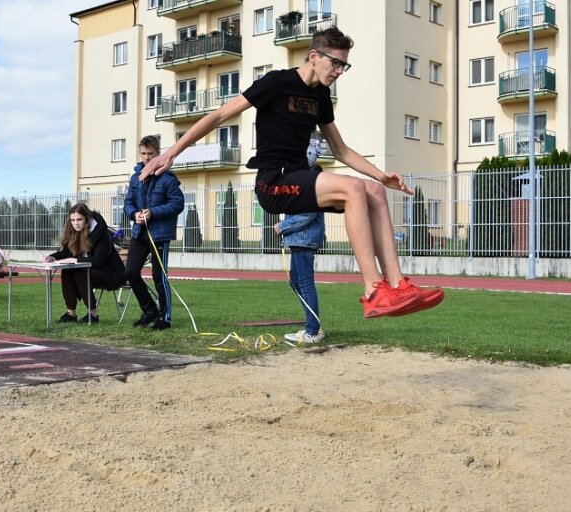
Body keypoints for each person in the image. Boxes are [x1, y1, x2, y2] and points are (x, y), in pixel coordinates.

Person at [139, 27, 443, 318]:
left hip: (299, 176)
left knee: (374, 191)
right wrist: (171, 153)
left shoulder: (320, 96)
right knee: (352, 189)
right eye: (335, 62)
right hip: (273, 181)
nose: (338, 71)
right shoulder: (276, 83)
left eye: (344, 66)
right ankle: (374, 290)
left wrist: (380, 175)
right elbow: (219, 115)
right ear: (313, 56)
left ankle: (397, 285)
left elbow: (341, 150)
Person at [124, 135, 185, 330]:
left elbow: (178, 204)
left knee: (160, 276)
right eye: (143, 153)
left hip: (160, 233)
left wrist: (153, 213)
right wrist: (135, 214)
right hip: (139, 232)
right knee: (130, 271)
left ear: (158, 154)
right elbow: (128, 203)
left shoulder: (168, 178)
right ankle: (149, 310)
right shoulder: (136, 178)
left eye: (150, 154)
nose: (147, 157)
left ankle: (164, 318)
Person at [276, 139, 326, 344]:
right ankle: (313, 327)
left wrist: (283, 226)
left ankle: (312, 332)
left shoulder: (311, 182)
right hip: (300, 239)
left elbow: (308, 214)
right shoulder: (304, 180)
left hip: (305, 239)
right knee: (296, 281)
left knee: (304, 283)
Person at [44, 203, 126, 324]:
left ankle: (93, 315)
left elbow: (98, 262)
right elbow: (66, 252)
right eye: (72, 220)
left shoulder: (101, 234)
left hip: (111, 274)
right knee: (67, 270)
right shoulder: (74, 232)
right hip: (89, 272)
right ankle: (71, 313)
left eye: (79, 219)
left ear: (87, 219)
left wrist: (76, 260)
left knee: (80, 270)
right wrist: (51, 257)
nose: (76, 223)